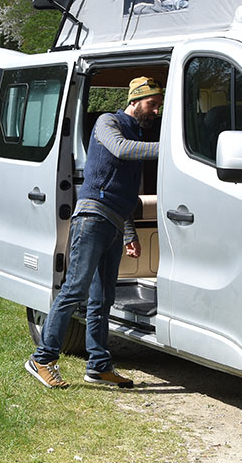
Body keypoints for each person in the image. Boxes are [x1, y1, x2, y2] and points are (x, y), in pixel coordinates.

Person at [26, 76, 163, 389]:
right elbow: (121, 150)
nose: (155, 110)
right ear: (135, 100)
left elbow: (125, 192)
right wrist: (169, 149)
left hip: (114, 222)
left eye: (158, 105)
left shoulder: (138, 133)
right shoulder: (108, 122)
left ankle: (99, 365)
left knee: (103, 299)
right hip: (92, 217)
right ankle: (42, 358)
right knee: (75, 289)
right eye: (151, 104)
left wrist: (129, 234)